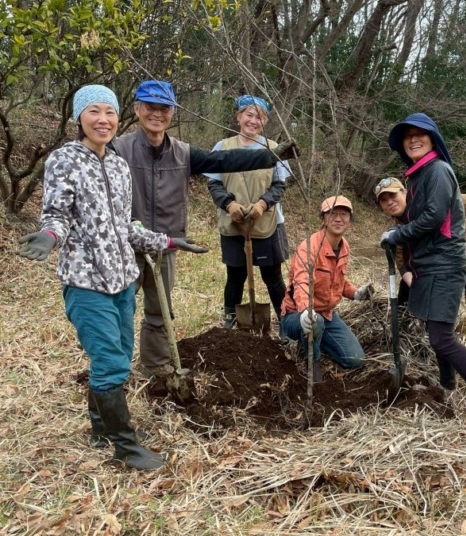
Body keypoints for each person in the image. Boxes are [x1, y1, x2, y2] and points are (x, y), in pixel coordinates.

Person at [17, 85, 207, 470]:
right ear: (79, 117)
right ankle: (125, 447)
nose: (103, 120)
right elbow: (57, 215)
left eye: (110, 112)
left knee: (117, 355)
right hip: (86, 282)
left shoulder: (119, 165)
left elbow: (125, 226)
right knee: (111, 363)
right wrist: (50, 235)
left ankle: (102, 427)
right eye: (94, 111)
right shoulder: (64, 160)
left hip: (122, 281)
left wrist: (168, 241)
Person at [114, 81, 296, 375]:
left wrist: (271, 156)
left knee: (160, 309)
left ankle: (156, 366)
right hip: (125, 242)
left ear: (172, 112)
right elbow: (219, 169)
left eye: (164, 108)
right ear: (137, 109)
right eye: (150, 107)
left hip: (166, 242)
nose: (157, 113)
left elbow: (224, 161)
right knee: (120, 307)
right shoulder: (117, 148)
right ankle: (115, 372)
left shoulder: (182, 152)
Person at [381, 113, 466, 427]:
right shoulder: (418, 176)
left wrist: (397, 235)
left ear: (433, 139)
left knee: (442, 337)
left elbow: (433, 217)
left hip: (444, 265)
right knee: (436, 334)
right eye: (407, 136)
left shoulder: (438, 170)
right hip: (429, 264)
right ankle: (447, 386)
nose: (413, 140)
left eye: (419, 134)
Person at [375, 178, 466, 364]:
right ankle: (400, 333)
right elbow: (403, 265)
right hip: (446, 264)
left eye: (393, 195)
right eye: (384, 200)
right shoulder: (399, 228)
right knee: (405, 292)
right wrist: (419, 287)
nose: (389, 202)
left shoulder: (428, 200)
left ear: (405, 192)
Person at [205, 95, 292, 330]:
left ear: (265, 121)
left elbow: (280, 185)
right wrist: (229, 205)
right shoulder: (222, 147)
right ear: (238, 117)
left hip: (267, 223)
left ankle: (286, 322)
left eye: (259, 117)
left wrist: (263, 204)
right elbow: (214, 183)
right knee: (235, 275)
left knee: (272, 276)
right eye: (249, 115)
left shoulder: (274, 148)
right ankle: (229, 320)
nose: (253, 121)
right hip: (233, 223)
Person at [280, 196, 373, 379]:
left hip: (326, 315)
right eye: (332, 214)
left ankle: (316, 338)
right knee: (315, 322)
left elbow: (338, 281)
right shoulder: (309, 247)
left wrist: (355, 293)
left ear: (349, 221)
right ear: (323, 219)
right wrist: (305, 311)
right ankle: (312, 362)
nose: (338, 218)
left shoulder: (344, 247)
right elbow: (301, 283)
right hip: (296, 315)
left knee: (355, 359)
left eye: (343, 214)